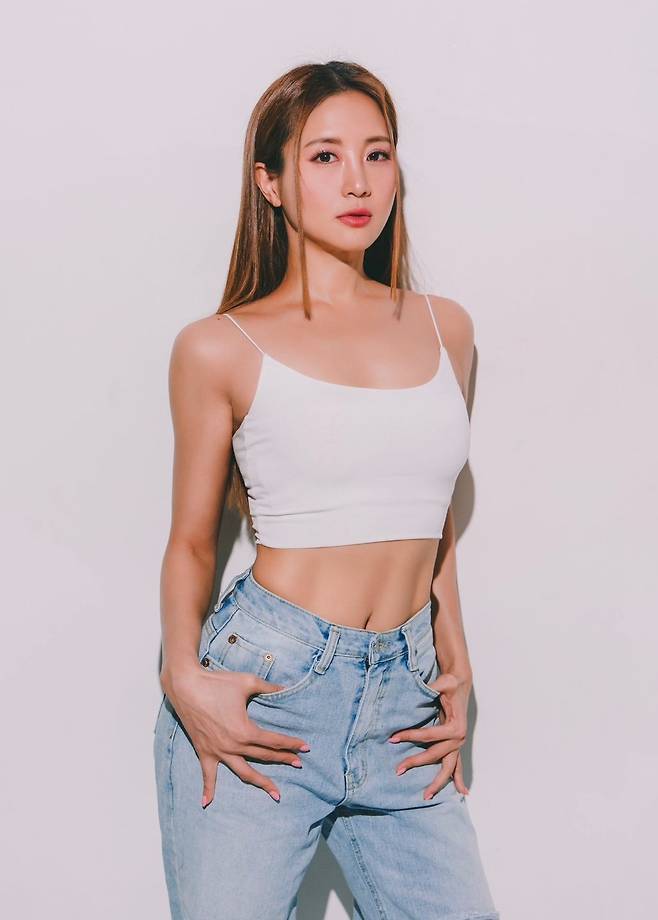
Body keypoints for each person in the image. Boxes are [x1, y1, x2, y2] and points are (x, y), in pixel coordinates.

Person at [153, 60, 499, 920]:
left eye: (377, 154)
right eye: (324, 156)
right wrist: (183, 675)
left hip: (405, 706)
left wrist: (454, 658)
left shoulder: (447, 329)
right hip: (268, 695)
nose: (357, 182)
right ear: (269, 182)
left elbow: (432, 516)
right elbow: (193, 539)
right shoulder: (219, 347)